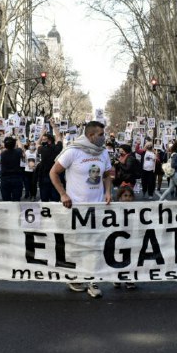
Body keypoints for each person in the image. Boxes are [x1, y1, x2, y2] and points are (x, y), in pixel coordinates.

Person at [49, 120, 112, 299]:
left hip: (98, 207)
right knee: (78, 245)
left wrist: (107, 191)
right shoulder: (72, 151)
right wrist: (63, 194)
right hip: (76, 208)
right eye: (101, 134)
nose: (103, 137)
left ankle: (93, 280)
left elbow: (107, 175)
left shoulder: (103, 152)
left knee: (96, 244)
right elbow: (53, 172)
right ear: (91, 135)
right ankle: (76, 277)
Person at [37, 125, 63, 202]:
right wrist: (54, 126)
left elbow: (37, 143)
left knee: (44, 199)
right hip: (56, 176)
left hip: (45, 176)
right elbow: (58, 136)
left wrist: (41, 134)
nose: (42, 141)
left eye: (44, 140)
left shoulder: (42, 149)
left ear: (48, 141)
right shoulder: (58, 147)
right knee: (55, 199)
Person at [0, 136, 24, 201]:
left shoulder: (2, 154)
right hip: (16, 178)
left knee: (6, 200)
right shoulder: (18, 152)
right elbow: (20, 146)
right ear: (14, 144)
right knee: (16, 200)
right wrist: (17, 138)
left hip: (5, 178)